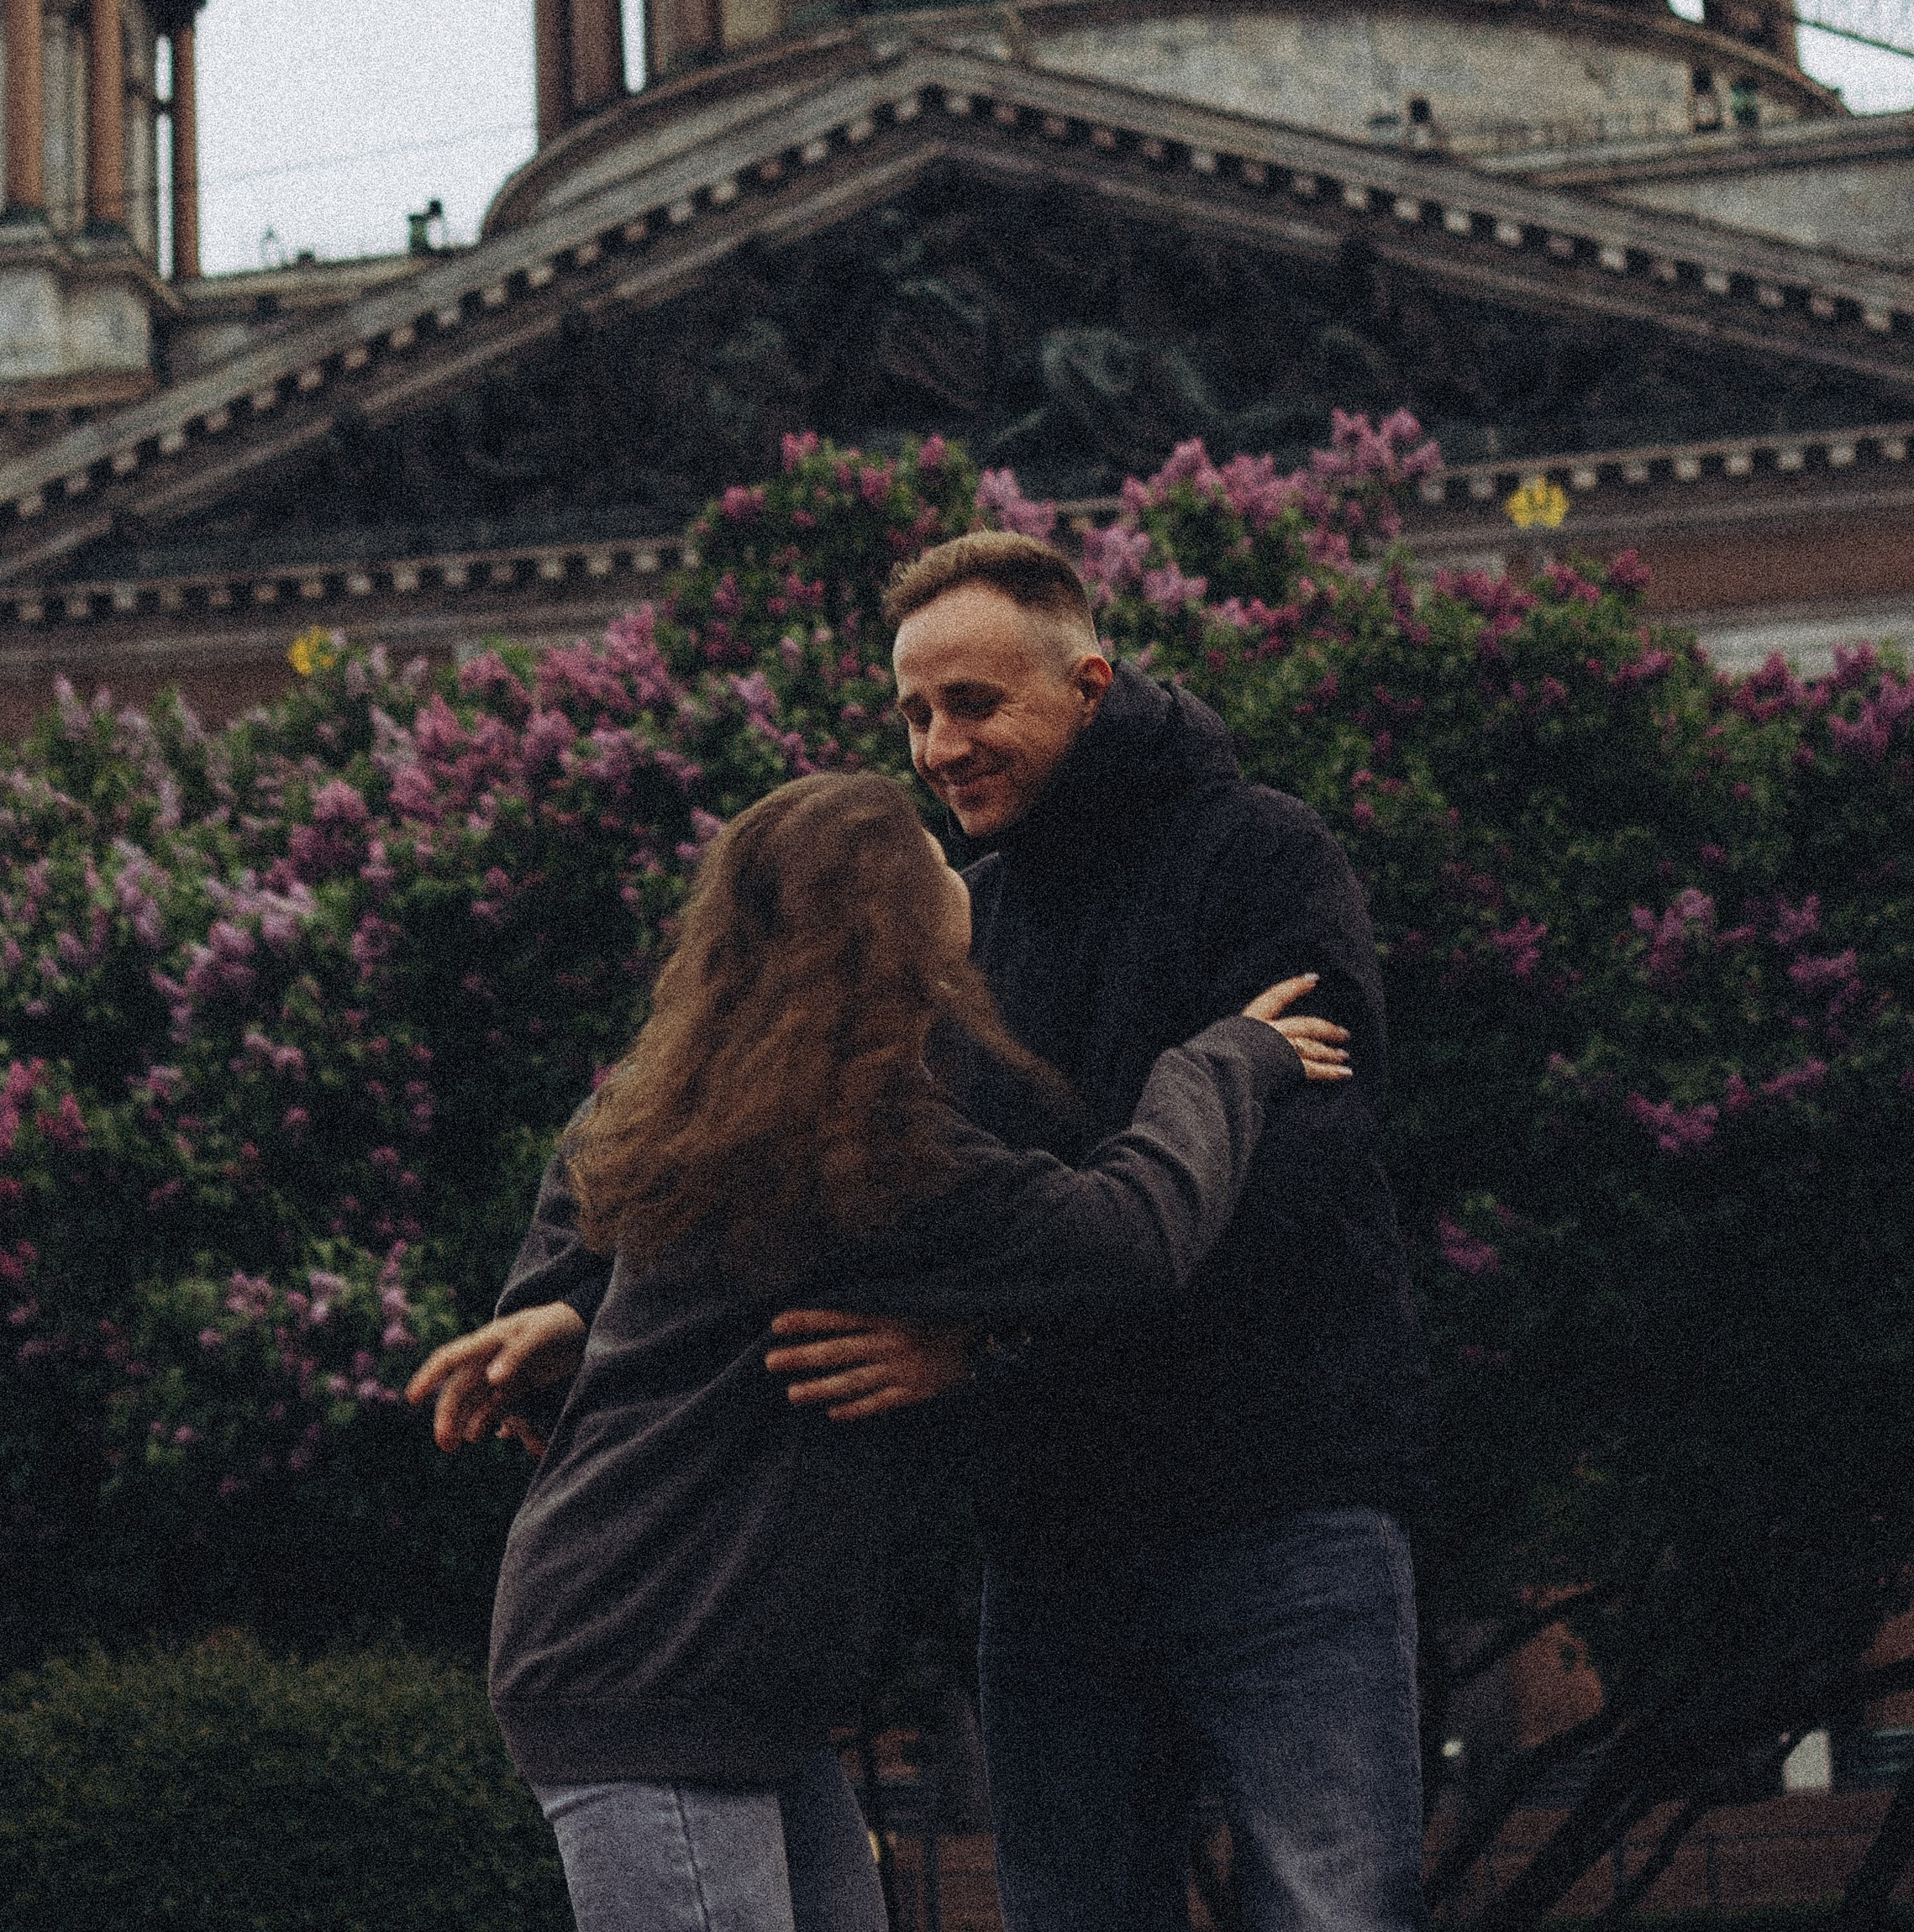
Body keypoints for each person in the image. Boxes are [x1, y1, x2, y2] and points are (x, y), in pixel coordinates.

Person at [408, 767, 1349, 1932]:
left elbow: (594, 1213)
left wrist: (571, 1313)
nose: (950, 850)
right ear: (891, 917)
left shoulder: (716, 1099)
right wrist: (1223, 1062)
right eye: (922, 844)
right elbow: (1131, 1235)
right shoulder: (869, 1153)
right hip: (654, 1678)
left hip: (717, 1683)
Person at [765, 531, 1433, 1932]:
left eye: (973, 704)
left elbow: (1291, 1182)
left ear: (1089, 684)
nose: (939, 747)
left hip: (1280, 1503)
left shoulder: (1261, 852)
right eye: (913, 714)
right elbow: (868, 1176)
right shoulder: (974, 917)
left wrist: (992, 1347)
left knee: (1336, 1911)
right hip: (1058, 1540)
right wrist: (582, 1305)